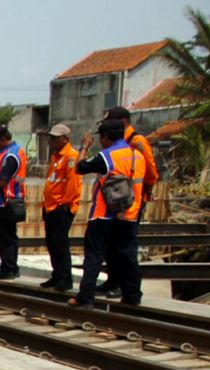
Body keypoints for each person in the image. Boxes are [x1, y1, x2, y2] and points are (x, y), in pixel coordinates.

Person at [69, 119, 145, 307]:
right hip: (129, 214)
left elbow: (79, 168)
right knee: (128, 257)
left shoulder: (107, 156)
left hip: (104, 214)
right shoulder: (138, 156)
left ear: (106, 137)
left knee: (94, 256)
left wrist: (84, 147)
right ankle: (132, 296)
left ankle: (85, 298)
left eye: (101, 137)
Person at [97, 106, 160, 298]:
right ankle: (113, 281)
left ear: (123, 121)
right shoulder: (119, 143)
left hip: (130, 202)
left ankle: (127, 286)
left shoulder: (137, 141)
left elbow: (151, 172)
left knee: (125, 248)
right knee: (112, 245)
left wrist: (143, 195)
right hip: (114, 201)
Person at [40, 123, 82, 291]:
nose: (52, 141)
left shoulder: (71, 157)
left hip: (61, 208)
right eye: (51, 138)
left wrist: (65, 204)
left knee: (60, 244)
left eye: (55, 138)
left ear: (66, 139)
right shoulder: (56, 156)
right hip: (50, 207)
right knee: (51, 243)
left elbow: (73, 184)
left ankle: (65, 279)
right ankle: (56, 275)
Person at [0, 127, 27, 281]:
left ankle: (9, 268)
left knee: (6, 237)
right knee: (9, 236)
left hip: (8, 200)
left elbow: (2, 181)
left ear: (2, 139)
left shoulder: (10, 156)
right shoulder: (16, 151)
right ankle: (9, 267)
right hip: (12, 199)